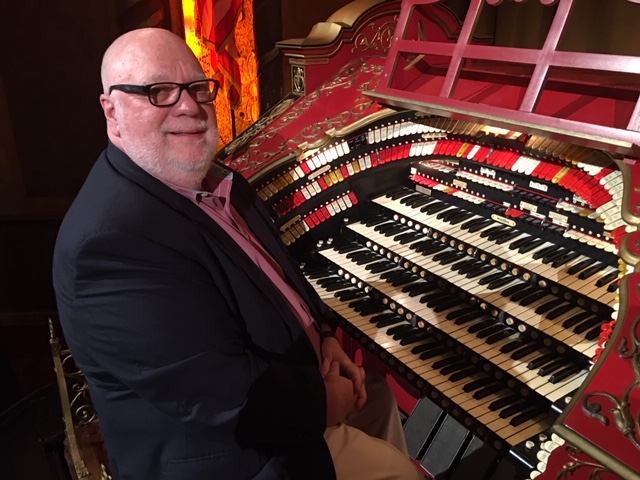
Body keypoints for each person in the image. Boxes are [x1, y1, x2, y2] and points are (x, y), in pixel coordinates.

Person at [52, 28, 423, 480]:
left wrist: (325, 335)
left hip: (288, 383)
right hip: (233, 453)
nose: (188, 106)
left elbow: (282, 277)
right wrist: (327, 400)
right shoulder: (112, 244)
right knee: (394, 468)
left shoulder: (219, 180)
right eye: (158, 92)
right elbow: (226, 399)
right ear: (112, 111)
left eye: (196, 88)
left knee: (379, 399)